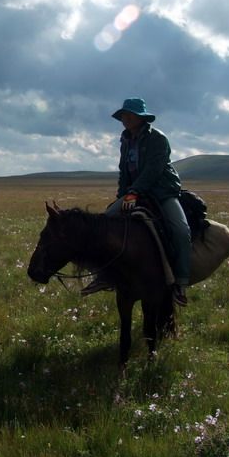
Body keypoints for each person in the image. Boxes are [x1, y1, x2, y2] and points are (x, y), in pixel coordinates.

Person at [81, 97, 191, 305]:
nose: (125, 119)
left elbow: (153, 170)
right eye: (123, 115)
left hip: (161, 192)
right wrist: (122, 195)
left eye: (130, 115)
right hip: (134, 192)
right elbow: (124, 171)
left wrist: (134, 192)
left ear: (141, 118)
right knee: (104, 225)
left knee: (180, 230)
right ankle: (104, 276)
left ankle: (181, 283)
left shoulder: (157, 139)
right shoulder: (125, 140)